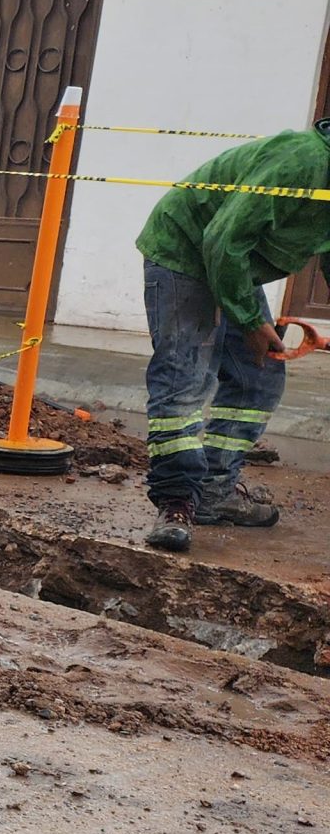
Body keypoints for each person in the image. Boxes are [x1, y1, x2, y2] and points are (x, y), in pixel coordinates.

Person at [135, 120, 330, 552]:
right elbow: (223, 238)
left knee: (256, 379)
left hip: (230, 265)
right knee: (186, 375)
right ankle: (177, 502)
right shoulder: (301, 162)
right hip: (184, 252)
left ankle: (215, 491)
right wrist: (248, 319)